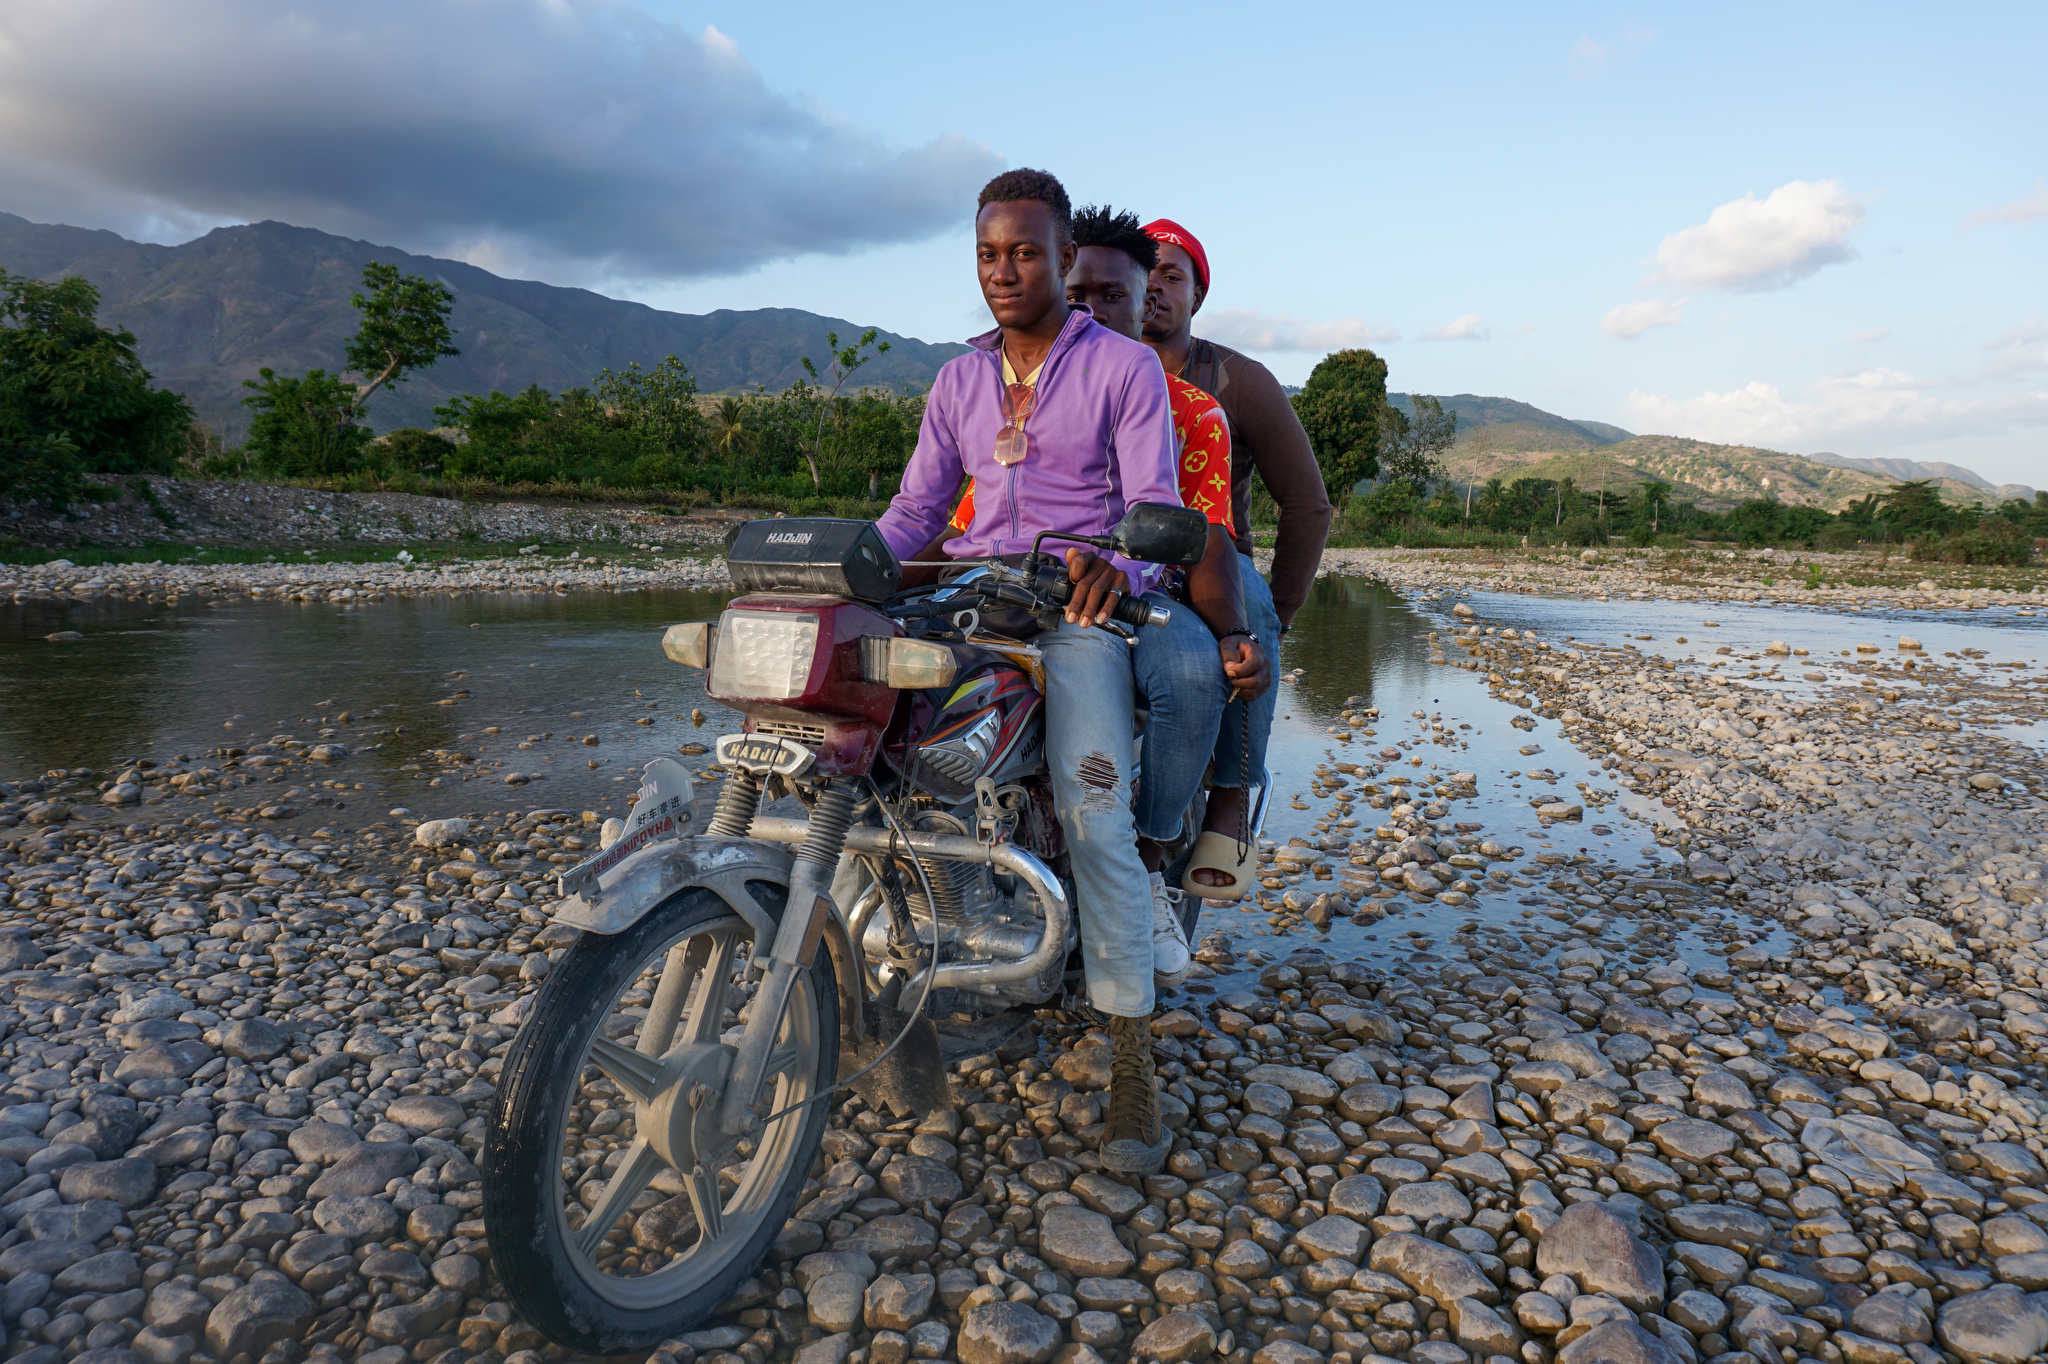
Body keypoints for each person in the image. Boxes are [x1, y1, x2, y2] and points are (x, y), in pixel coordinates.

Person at [873, 169, 1181, 1175]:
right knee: (866, 776)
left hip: (1070, 612)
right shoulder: (956, 380)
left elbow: (1153, 509)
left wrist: (1115, 560)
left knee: (1096, 806)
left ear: (1061, 262)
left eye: (1023, 254)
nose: (1003, 272)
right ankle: (897, 994)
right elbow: (919, 513)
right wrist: (851, 565)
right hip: (960, 605)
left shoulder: (1124, 367)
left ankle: (1129, 1048)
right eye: (986, 255)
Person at [945, 205, 1269, 986]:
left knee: (1196, 672)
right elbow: (957, 506)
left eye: (1113, 297)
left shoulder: (1191, 404)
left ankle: (1160, 850)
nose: (1091, 311)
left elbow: (1197, 530)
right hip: (1017, 577)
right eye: (1079, 293)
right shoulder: (983, 378)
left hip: (1171, 571)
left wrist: (1240, 623)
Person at [1142, 218, 1333, 899]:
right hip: (1115, 553)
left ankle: (1230, 795)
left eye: (1173, 276)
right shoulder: (1086, 370)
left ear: (1196, 296)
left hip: (1215, 553)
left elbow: (1308, 505)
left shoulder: (1236, 380)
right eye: (1147, 273)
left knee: (1250, 623)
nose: (1155, 289)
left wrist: (1280, 613)